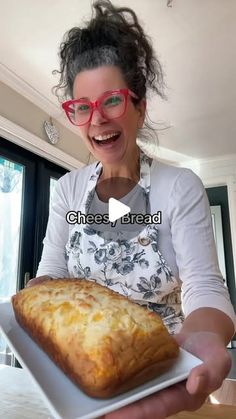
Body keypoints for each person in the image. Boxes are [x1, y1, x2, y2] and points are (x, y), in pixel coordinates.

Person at [28, 1, 235, 417]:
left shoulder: (178, 187)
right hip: (79, 378)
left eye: (112, 101)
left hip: (162, 376)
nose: (97, 120)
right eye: (82, 107)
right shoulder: (68, 190)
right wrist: (38, 296)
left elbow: (204, 286)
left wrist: (204, 335)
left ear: (140, 107)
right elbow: (52, 271)